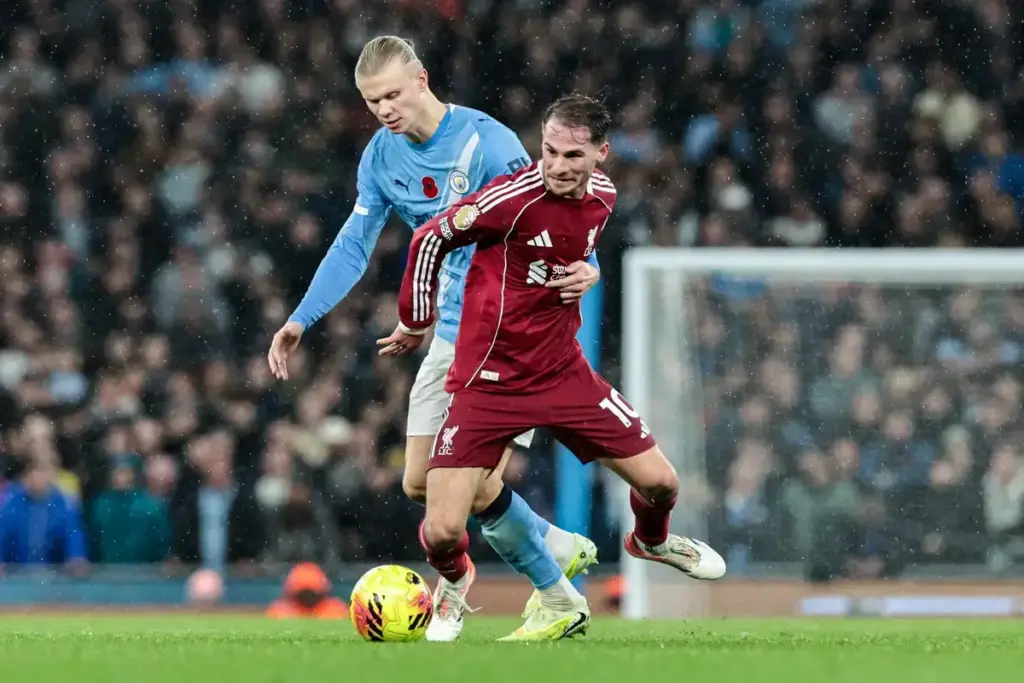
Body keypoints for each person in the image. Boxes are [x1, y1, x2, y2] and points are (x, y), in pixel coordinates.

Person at [266, 36, 599, 642]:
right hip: (450, 333)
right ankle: (553, 543)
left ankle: (544, 592)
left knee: (462, 487)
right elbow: (354, 244)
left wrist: (588, 265)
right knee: (420, 482)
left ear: (422, 79)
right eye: (372, 101)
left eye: (393, 94)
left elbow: (555, 211)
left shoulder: (489, 143)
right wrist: (302, 318)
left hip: (509, 336)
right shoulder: (380, 156)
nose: (384, 110)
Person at [379, 93, 727, 641]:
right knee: (442, 529)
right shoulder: (510, 199)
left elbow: (571, 242)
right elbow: (431, 237)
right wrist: (416, 316)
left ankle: (651, 541)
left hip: (563, 374)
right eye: (549, 152)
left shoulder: (605, 196)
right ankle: (456, 579)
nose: (558, 166)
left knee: (662, 484)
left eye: (572, 156)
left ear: (601, 154)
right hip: (489, 381)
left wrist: (589, 269)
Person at [266, 562, 349, 619]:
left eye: (312, 594)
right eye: (303, 594)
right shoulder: (280, 610)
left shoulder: (336, 609)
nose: (308, 598)